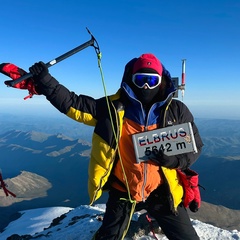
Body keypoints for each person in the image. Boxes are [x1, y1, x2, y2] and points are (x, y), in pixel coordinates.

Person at [27, 53, 203, 240]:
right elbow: (73, 104)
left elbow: (195, 146)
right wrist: (45, 81)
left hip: (163, 190)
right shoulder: (112, 107)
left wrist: (173, 161)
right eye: (141, 79)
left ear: (161, 82)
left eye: (152, 80)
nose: (145, 86)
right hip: (123, 189)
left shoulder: (176, 111)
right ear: (131, 79)